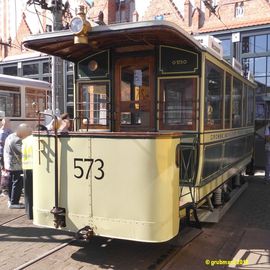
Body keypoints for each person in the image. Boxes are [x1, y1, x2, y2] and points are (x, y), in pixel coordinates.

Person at [22, 124, 47, 219]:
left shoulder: (25, 140)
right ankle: (37, 213)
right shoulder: (37, 140)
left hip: (25, 166)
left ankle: (29, 213)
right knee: (37, 191)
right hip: (35, 168)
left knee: (28, 192)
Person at [4, 124, 31, 209]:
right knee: (17, 183)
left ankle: (11, 200)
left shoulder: (10, 136)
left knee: (12, 182)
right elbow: (22, 152)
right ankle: (14, 202)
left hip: (10, 164)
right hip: (16, 165)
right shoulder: (16, 140)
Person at [0, 118, 12, 195]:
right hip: (2, 153)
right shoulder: (2, 132)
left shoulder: (9, 130)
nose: (9, 124)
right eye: (8, 122)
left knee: (5, 170)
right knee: (4, 171)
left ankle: (5, 188)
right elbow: (2, 142)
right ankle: (4, 189)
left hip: (6, 153)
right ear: (4, 123)